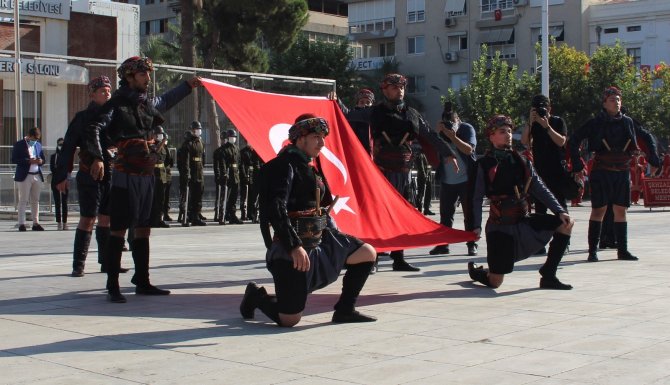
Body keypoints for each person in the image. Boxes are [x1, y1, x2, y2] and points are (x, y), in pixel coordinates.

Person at [82, 56, 201, 302]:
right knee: (118, 229)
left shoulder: (147, 103)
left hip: (147, 173)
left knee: (144, 228)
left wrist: (189, 85)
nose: (148, 79)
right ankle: (113, 284)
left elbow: (166, 100)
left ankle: (143, 281)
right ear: (129, 77)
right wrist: (97, 157)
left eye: (148, 74)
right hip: (125, 174)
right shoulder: (116, 104)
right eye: (143, 74)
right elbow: (93, 127)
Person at [240, 114, 377, 327]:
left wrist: (333, 231)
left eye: (323, 137)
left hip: (320, 240)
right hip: (291, 247)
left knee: (367, 253)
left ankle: (345, 309)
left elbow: (322, 206)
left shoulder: (311, 168)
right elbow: (276, 209)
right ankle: (257, 296)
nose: (322, 143)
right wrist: (293, 246)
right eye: (316, 137)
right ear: (300, 138)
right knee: (289, 319)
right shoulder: (283, 165)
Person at [466, 115, 574, 290]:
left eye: (509, 131)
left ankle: (548, 274)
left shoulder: (522, 161)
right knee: (495, 282)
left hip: (524, 223)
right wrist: (475, 226)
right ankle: (477, 273)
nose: (508, 135)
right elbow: (476, 198)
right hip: (500, 227)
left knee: (566, 224)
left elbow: (540, 188)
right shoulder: (483, 164)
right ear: (491, 136)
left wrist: (560, 211)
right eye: (502, 132)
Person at [369, 73, 458, 272]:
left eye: (401, 86)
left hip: (405, 171)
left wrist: (448, 153)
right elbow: (349, 117)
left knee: (402, 215)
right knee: (379, 214)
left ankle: (399, 258)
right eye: (394, 86)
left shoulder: (412, 114)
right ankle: (372, 258)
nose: (399, 89)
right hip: (381, 173)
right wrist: (335, 101)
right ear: (385, 90)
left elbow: (430, 135)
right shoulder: (374, 112)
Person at [54, 76, 127, 276]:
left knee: (107, 219)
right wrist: (61, 176)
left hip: (112, 174)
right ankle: (78, 264)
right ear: (92, 94)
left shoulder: (116, 115)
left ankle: (107, 262)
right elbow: (68, 147)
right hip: (89, 175)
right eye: (102, 91)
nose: (107, 93)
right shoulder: (82, 118)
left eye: (109, 90)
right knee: (88, 218)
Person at [569, 86, 639, 262]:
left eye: (618, 99)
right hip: (602, 171)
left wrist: (633, 154)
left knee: (621, 210)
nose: (616, 102)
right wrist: (577, 165)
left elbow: (634, 144)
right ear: (604, 103)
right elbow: (574, 140)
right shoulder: (595, 123)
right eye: (612, 100)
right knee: (598, 210)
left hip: (621, 171)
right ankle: (592, 251)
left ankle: (622, 250)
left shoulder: (627, 122)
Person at [429, 105, 478, 257]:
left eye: (453, 121)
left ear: (458, 120)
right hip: (447, 180)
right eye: (447, 122)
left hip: (466, 180)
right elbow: (431, 151)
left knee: (469, 214)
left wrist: (453, 136)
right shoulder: (441, 133)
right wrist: (437, 133)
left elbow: (469, 150)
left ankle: (472, 244)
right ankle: (443, 244)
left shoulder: (466, 129)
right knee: (445, 215)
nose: (450, 124)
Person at [521, 95, 569, 214]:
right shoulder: (533, 124)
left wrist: (547, 127)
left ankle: (562, 230)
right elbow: (524, 142)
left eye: (544, 108)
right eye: (537, 109)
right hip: (540, 171)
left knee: (561, 206)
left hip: (557, 170)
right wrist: (530, 123)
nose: (542, 111)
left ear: (549, 109)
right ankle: (542, 232)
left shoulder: (558, 121)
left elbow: (561, 142)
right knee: (540, 208)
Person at [12, 127, 46, 232]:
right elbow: (14, 159)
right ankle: (21, 223)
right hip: (24, 176)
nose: (34, 141)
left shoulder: (38, 145)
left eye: (37, 139)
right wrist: (28, 161)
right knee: (23, 200)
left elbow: (43, 159)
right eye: (33, 139)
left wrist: (40, 161)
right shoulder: (19, 144)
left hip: (37, 175)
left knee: (35, 200)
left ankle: (36, 223)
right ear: (29, 136)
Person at [179, 121, 206, 226]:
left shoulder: (201, 142)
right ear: (192, 130)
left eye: (199, 129)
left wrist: (202, 168)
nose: (198, 131)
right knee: (191, 195)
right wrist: (187, 174)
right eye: (196, 129)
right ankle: (190, 215)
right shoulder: (188, 143)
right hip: (192, 171)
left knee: (199, 194)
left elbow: (202, 158)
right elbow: (186, 161)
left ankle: (196, 215)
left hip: (199, 171)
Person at [333, 88, 375, 155]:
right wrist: (336, 99)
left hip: (371, 154)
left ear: (372, 104)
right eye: (362, 102)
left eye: (368, 102)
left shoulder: (375, 115)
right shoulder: (351, 114)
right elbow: (344, 111)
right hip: (353, 151)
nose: (365, 105)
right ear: (357, 104)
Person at [150, 126, 172, 228]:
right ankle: (152, 219)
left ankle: (160, 218)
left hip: (162, 173)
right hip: (153, 173)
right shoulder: (151, 145)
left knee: (161, 198)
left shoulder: (164, 147)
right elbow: (155, 152)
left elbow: (167, 161)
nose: (160, 136)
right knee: (153, 198)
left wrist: (167, 175)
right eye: (158, 134)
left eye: (161, 134)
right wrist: (163, 141)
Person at [221, 129, 243, 224]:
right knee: (227, 196)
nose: (233, 139)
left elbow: (239, 162)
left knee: (234, 196)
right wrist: (224, 174)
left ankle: (232, 214)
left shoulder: (236, 148)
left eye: (234, 137)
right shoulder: (224, 149)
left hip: (235, 175)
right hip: (229, 174)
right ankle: (224, 214)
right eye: (231, 137)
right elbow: (223, 163)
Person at [240, 144, 263, 222]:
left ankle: (253, 213)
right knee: (247, 195)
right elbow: (242, 164)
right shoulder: (244, 152)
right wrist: (244, 175)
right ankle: (246, 213)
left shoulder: (257, 151)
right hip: (248, 174)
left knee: (254, 195)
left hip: (255, 175)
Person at [50, 137, 69, 230]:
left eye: (62, 144)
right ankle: (59, 223)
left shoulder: (67, 156)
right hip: (55, 181)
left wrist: (63, 180)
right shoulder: (54, 156)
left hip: (65, 181)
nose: (61, 146)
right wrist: (58, 181)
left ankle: (65, 222)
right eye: (59, 144)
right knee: (57, 203)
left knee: (64, 203)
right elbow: (53, 169)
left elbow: (67, 169)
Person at [414, 149, 434, 215]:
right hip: (423, 177)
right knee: (421, 193)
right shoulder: (420, 155)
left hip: (428, 176)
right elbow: (421, 167)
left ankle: (426, 208)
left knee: (428, 193)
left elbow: (429, 166)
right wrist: (424, 176)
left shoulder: (427, 154)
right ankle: (420, 208)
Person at [212, 134, 227, 224]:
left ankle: (224, 214)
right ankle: (217, 214)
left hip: (226, 176)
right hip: (220, 176)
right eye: (223, 139)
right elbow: (216, 166)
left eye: (225, 139)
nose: (224, 141)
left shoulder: (226, 151)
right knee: (218, 197)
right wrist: (217, 176)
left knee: (224, 197)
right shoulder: (218, 152)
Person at [162, 133, 174, 222]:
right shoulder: (160, 148)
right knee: (161, 196)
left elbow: (170, 162)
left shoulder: (167, 149)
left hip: (168, 174)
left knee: (167, 196)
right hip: (162, 175)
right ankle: (160, 215)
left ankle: (166, 213)